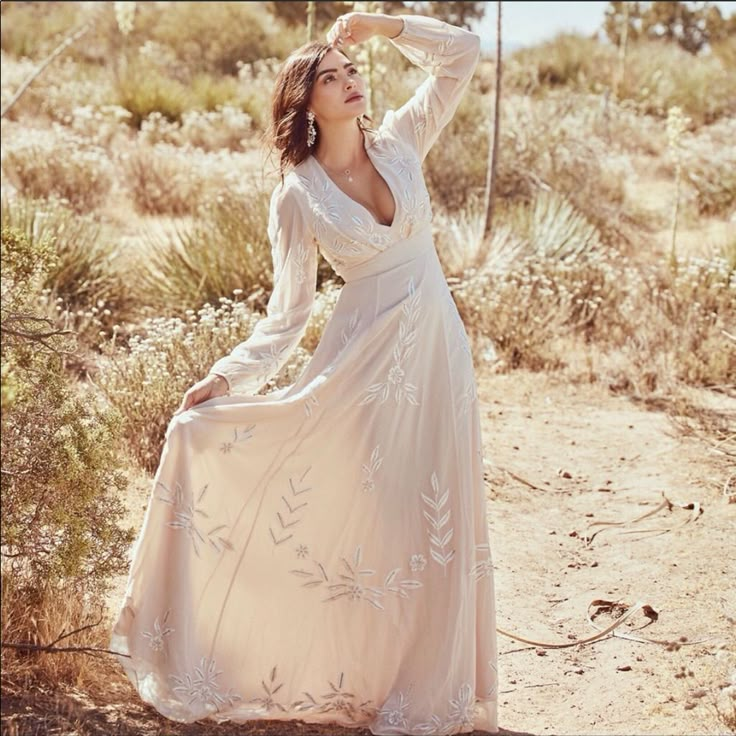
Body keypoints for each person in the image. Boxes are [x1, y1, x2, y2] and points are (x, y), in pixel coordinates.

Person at [110, 10, 499, 735]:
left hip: (438, 353)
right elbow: (286, 315)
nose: (351, 82)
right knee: (368, 521)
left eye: (352, 72)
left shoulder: (403, 142)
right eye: (331, 76)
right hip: (361, 364)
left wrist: (382, 26)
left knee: (435, 514)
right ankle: (344, 676)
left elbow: (465, 53)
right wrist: (227, 378)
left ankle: (425, 689)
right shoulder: (299, 193)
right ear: (304, 102)